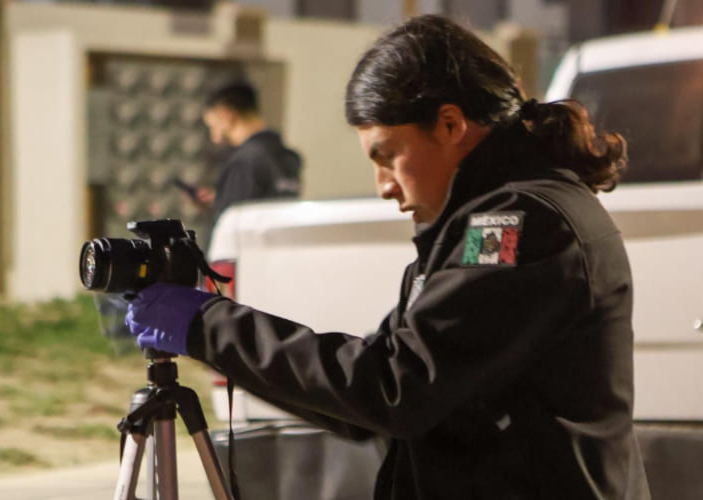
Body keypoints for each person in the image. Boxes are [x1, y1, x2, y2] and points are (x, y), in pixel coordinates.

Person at [126, 15, 650, 499]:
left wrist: (209, 325)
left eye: (387, 156)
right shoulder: (482, 218)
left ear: (449, 125)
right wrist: (210, 334)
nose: (382, 186)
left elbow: (396, 388)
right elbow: (369, 408)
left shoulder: (516, 224)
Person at [186, 80, 302, 223]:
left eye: (213, 126)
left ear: (227, 115)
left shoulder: (245, 161)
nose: (213, 137)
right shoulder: (289, 157)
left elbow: (233, 226)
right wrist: (220, 199)